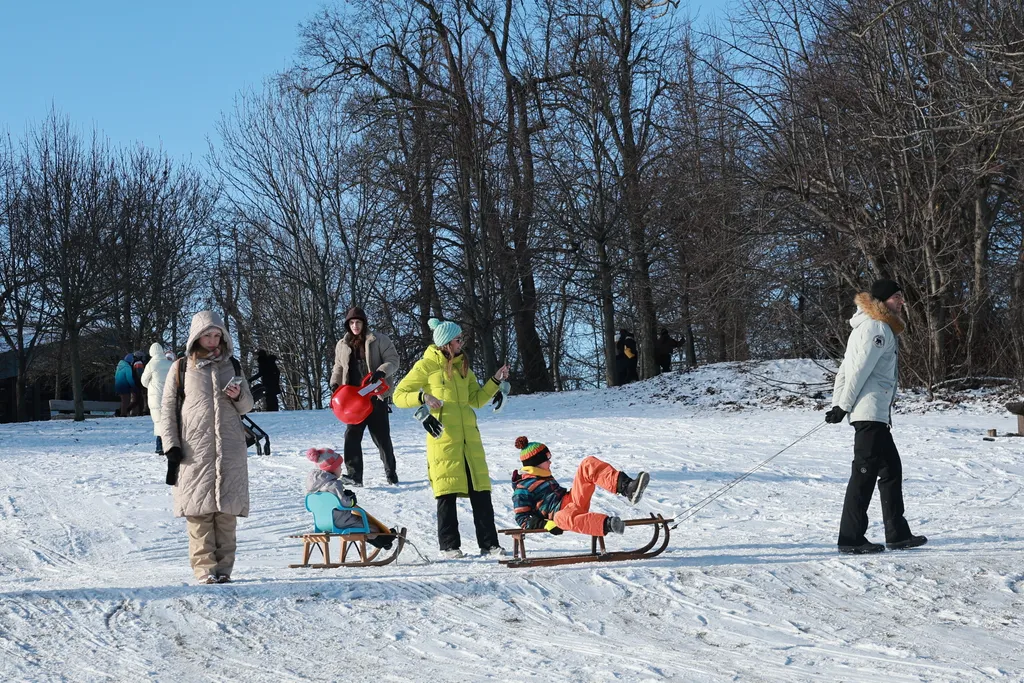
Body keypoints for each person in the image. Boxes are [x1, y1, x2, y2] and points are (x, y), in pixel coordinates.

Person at [825, 279, 927, 555]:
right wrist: (843, 405)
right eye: (896, 297)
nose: (901, 302)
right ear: (882, 301)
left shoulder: (871, 326)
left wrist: (838, 404)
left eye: (902, 296)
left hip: (875, 415)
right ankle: (851, 538)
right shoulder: (877, 328)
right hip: (869, 415)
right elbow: (857, 370)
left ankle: (897, 533)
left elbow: (845, 369)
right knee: (864, 475)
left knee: (891, 470)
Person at [393, 318, 508, 558]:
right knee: (446, 492)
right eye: (458, 339)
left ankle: (489, 544)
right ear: (446, 343)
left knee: (481, 491)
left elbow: (475, 399)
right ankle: (449, 546)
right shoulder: (426, 366)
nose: (461, 342)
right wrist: (423, 398)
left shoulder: (463, 366)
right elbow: (399, 395)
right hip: (443, 438)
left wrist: (495, 381)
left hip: (469, 440)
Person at [161, 311, 255, 584]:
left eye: (217, 335)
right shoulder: (181, 368)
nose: (213, 340)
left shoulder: (233, 365)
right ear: (196, 337)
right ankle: (204, 570)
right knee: (199, 512)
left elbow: (247, 406)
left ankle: (224, 571)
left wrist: (239, 397)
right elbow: (167, 410)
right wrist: (171, 445)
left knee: (226, 514)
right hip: (195, 450)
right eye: (207, 335)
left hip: (230, 449)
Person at [511, 436, 650, 536]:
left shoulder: (543, 475)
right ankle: (608, 524)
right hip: (560, 516)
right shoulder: (522, 488)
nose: (550, 463)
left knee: (587, 464)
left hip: (572, 500)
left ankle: (628, 488)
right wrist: (544, 524)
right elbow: (521, 517)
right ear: (535, 463)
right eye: (546, 459)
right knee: (560, 518)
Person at [329, 307, 401, 486]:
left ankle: (391, 473)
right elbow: (338, 366)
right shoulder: (342, 345)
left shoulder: (379, 340)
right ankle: (354, 476)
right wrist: (335, 383)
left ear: (364, 323)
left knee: (382, 437)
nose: (355, 326)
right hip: (353, 399)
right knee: (351, 436)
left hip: (376, 396)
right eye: (352, 323)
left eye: (358, 322)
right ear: (348, 325)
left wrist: (381, 372)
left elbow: (393, 360)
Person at [304, 447, 393, 549]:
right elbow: (344, 503)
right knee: (370, 527)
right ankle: (384, 542)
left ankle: (382, 542)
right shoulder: (333, 485)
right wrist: (351, 499)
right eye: (339, 466)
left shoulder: (312, 488)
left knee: (364, 525)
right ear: (331, 468)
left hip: (322, 523)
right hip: (341, 522)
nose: (341, 469)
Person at [141, 342, 174, 454]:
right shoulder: (169, 363)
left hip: (155, 396)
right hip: (169, 394)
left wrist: (151, 385)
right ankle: (169, 444)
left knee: (158, 420)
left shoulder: (151, 364)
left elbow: (144, 381)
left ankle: (160, 446)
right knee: (168, 419)